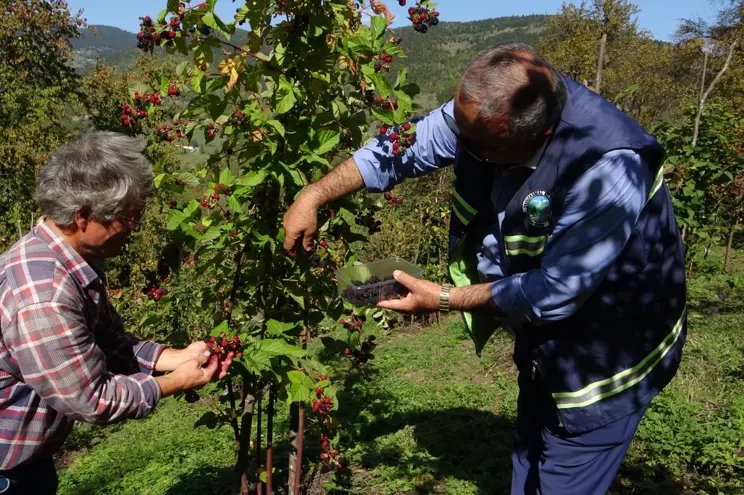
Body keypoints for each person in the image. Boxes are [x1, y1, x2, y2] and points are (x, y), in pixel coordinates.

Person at [283, 43, 687, 494]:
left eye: (476, 144)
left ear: (533, 135)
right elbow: (402, 149)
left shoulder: (606, 167)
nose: (457, 146)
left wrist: (442, 297)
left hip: (604, 363)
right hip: (544, 345)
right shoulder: (488, 115)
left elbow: (555, 292)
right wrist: (313, 194)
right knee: (529, 451)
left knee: (566, 461)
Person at [0, 132, 232, 495]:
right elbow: (92, 400)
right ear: (84, 217)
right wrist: (176, 381)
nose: (134, 230)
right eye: (128, 219)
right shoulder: (44, 295)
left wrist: (174, 358)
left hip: (16, 467)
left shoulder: (66, 259)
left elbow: (104, 341)